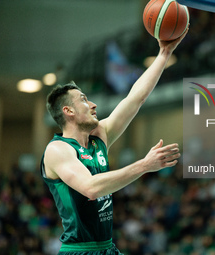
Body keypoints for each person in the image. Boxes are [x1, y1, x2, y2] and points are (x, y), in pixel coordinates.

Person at [40, 29, 188, 255]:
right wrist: (145, 165)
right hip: (79, 251)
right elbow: (90, 188)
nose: (93, 105)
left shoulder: (99, 135)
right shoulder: (57, 150)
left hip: (107, 248)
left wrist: (164, 53)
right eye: (84, 100)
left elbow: (135, 99)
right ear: (68, 111)